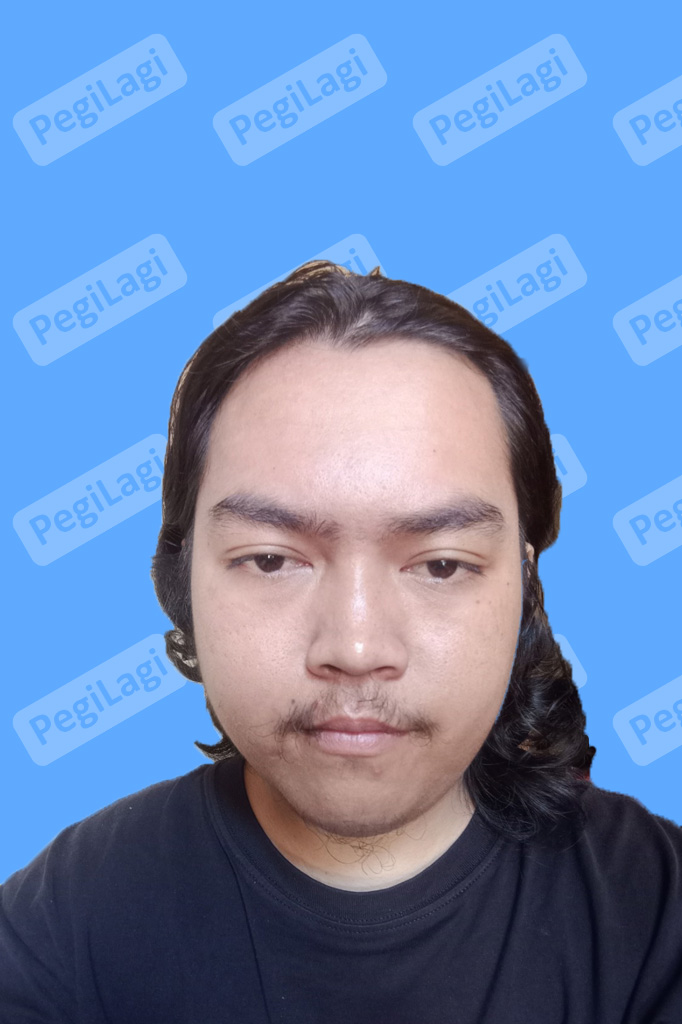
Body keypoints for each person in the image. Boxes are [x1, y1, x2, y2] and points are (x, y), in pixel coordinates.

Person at [1, 261, 681, 1023]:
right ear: (181, 579)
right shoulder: (70, 916)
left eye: (441, 564)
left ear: (524, 583)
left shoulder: (658, 911)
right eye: (270, 559)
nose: (356, 649)